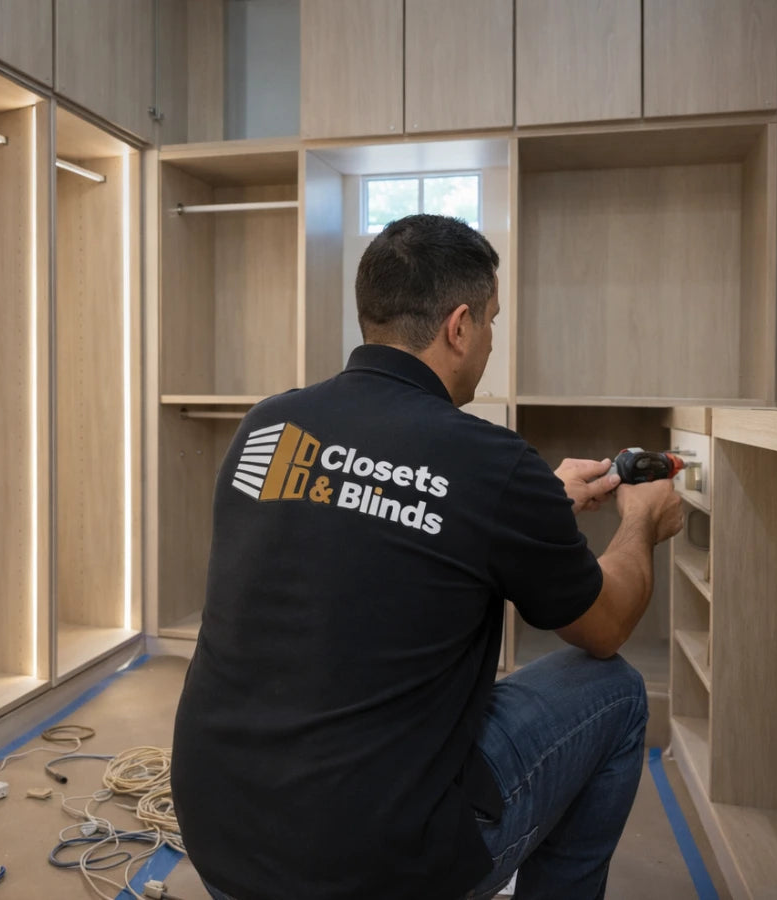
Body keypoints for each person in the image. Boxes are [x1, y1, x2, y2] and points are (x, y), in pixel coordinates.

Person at [170, 214, 684, 900]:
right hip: (374, 873)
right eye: (493, 322)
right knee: (618, 693)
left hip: (221, 838)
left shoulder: (267, 425)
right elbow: (607, 623)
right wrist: (641, 524)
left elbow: (367, 533)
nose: (492, 341)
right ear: (461, 325)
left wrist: (534, 507)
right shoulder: (489, 464)